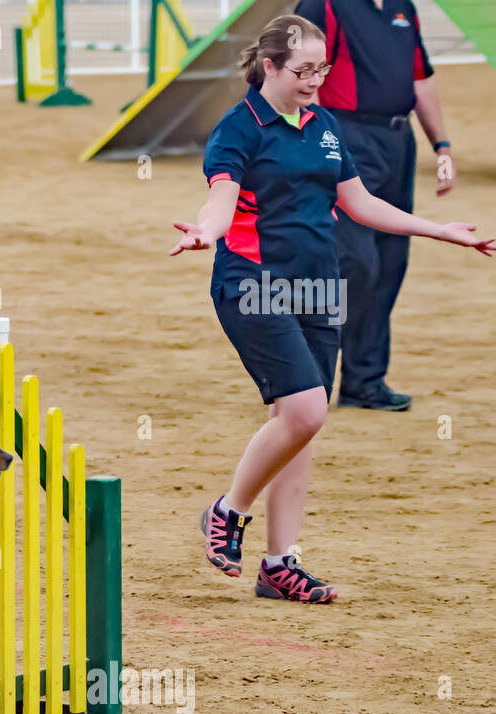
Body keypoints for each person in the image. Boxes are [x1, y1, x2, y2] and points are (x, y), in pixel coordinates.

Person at [169, 14, 491, 603]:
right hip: (255, 284)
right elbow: (219, 198)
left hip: (320, 286)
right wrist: (205, 233)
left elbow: (360, 201)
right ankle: (226, 510)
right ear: (269, 66)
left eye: (322, 68)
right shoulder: (237, 129)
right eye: (303, 70)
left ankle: (280, 563)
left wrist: (442, 230)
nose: (316, 79)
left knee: (299, 427)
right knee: (307, 411)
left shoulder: (324, 125)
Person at [293, 0, 454, 411]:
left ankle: (365, 382)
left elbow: (421, 79)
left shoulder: (404, 7)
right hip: (343, 135)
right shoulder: (323, 4)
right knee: (355, 261)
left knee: (389, 262)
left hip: (399, 142)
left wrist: (442, 146)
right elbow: (291, 67)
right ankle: (306, 376)